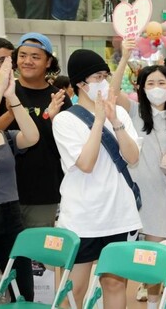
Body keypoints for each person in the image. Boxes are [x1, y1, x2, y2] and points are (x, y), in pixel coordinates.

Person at [53, 49, 142, 309]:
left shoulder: (121, 114)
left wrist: (114, 120)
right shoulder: (65, 120)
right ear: (80, 83)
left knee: (115, 285)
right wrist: (99, 120)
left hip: (120, 215)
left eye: (106, 75)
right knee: (74, 290)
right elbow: (86, 163)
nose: (103, 82)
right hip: (82, 218)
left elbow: (132, 157)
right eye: (97, 77)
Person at [111, 41, 166, 307]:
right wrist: (125, 55)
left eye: (161, 83)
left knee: (155, 253)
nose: (156, 89)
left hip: (162, 192)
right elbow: (112, 92)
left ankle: (154, 302)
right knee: (127, 253)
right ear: (140, 87)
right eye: (149, 83)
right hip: (131, 193)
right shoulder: (132, 111)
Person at [5, 33, 72, 228]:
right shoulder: (5, 92)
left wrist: (49, 118)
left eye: (35, 57)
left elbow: (64, 144)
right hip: (5, 190)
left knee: (36, 251)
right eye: (23, 55)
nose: (27, 61)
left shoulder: (58, 97)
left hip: (44, 189)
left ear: (48, 62)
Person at [0, 57, 39, 302]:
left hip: (11, 218)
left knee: (23, 291)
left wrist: (11, 96)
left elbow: (32, 137)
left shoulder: (6, 136)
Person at [0, 38, 15, 127]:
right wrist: (11, 113)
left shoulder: (15, 87)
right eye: (2, 61)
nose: (8, 66)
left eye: (11, 61)